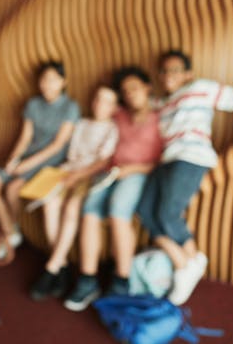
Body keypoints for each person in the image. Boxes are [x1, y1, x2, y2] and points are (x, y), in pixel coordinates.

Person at [136, 50, 233, 305]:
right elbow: (140, 104)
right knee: (144, 209)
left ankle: (185, 264)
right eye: (164, 71)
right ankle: (190, 261)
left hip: (190, 157)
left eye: (175, 70)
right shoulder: (161, 103)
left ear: (188, 74)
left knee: (168, 214)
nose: (168, 75)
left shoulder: (200, 87)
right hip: (165, 161)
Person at [64, 67, 163, 311]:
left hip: (138, 173)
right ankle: (87, 279)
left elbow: (162, 162)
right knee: (89, 211)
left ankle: (122, 279)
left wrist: (133, 169)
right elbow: (104, 100)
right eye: (125, 90)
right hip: (109, 172)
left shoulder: (161, 117)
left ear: (147, 88)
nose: (130, 94)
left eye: (135, 88)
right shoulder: (119, 115)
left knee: (118, 211)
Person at [0, 61, 80, 260]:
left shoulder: (71, 107)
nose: (47, 84)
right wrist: (14, 159)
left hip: (49, 161)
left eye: (53, 79)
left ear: (63, 81)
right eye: (44, 79)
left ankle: (11, 236)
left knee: (12, 189)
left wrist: (26, 165)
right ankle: (12, 231)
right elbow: (25, 138)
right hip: (26, 157)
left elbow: (57, 145)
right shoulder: (33, 104)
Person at [30, 86, 119, 300]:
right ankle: (61, 264)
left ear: (114, 107)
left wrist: (78, 175)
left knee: (71, 208)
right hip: (69, 170)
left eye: (107, 101)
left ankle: (52, 267)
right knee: (49, 203)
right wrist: (66, 173)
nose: (100, 104)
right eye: (98, 98)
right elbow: (72, 155)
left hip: (89, 175)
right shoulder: (82, 123)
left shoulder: (112, 128)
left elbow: (103, 161)